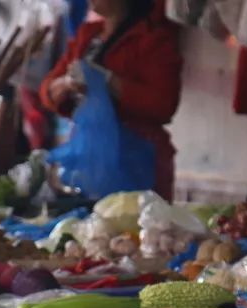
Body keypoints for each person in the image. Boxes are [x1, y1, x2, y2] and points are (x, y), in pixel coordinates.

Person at [39, 0, 183, 200]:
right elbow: (47, 92)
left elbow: (164, 103)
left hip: (137, 160)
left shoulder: (153, 38)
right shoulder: (87, 35)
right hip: (91, 160)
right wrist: (67, 83)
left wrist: (110, 82)